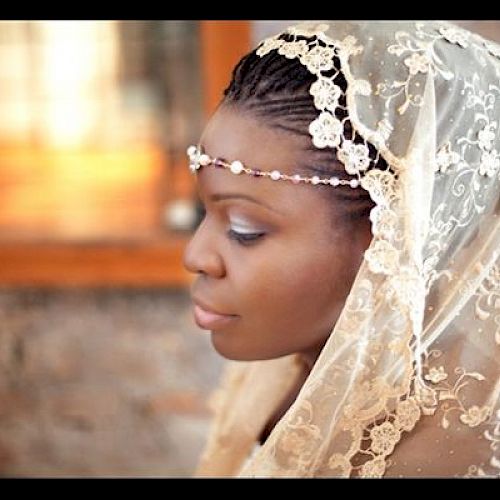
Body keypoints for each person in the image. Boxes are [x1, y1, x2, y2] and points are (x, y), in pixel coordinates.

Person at [182, 21, 500, 477]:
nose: (195, 256)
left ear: (393, 243)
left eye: (243, 227)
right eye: (203, 213)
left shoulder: (445, 458)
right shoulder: (286, 376)